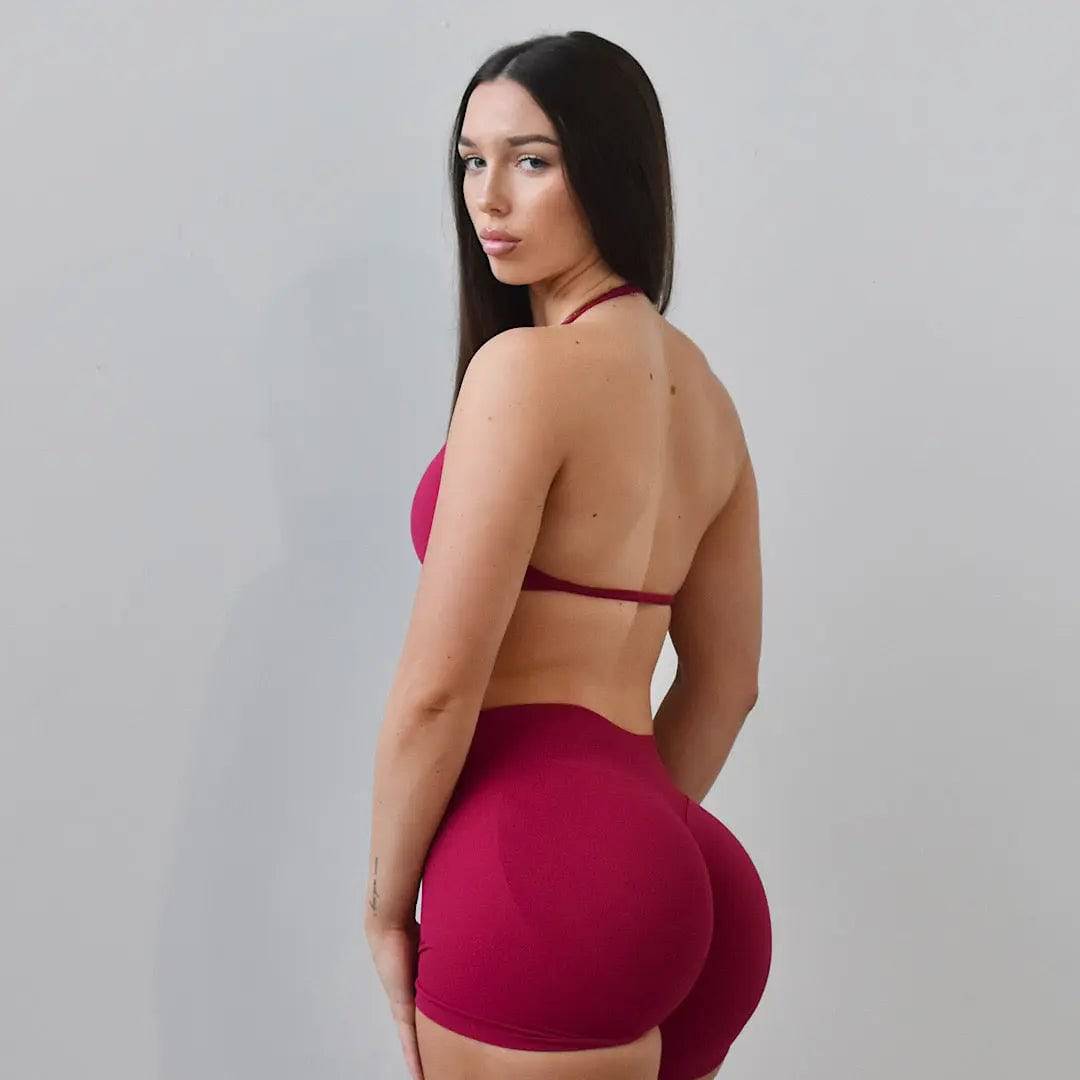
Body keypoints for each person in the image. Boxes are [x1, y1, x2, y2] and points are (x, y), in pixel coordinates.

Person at [365, 30, 771, 1080]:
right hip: (682, 870)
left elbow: (437, 692)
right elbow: (728, 685)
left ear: (610, 171)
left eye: (532, 160)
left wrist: (385, 909)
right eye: (472, 160)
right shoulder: (710, 401)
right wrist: (632, 843)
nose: (488, 197)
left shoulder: (524, 371)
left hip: (536, 882)